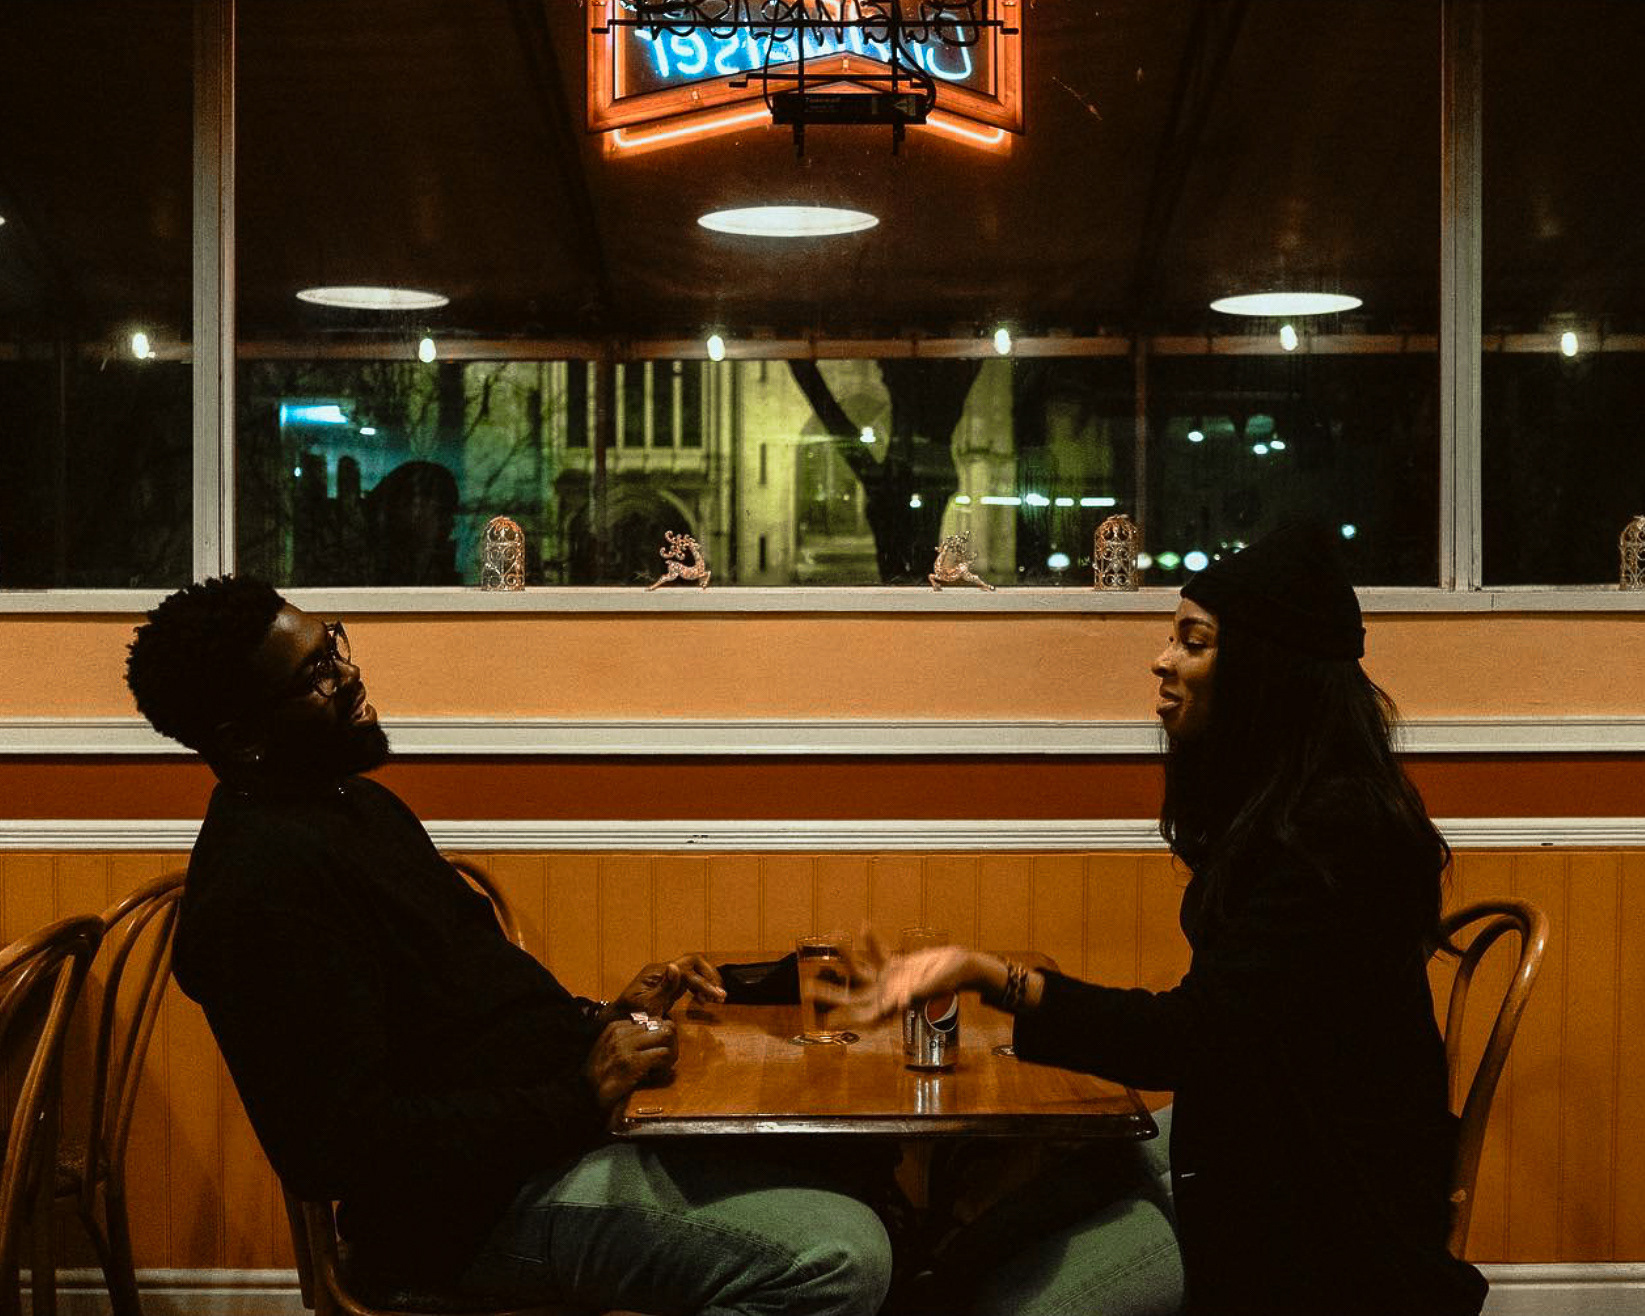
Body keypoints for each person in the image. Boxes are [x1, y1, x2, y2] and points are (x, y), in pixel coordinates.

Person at [124, 576, 892, 1316]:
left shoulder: (356, 806)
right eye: (316, 675)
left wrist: (600, 1020)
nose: (349, 675)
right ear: (242, 739)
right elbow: (340, 1148)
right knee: (835, 1256)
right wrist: (579, 1095)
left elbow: (471, 1015)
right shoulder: (258, 889)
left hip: (538, 1155)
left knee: (865, 1165)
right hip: (456, 1222)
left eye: (334, 646)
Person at [827, 522, 1488, 1316]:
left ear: (1265, 672)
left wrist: (992, 977)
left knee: (1011, 1300)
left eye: (1193, 642)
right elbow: (1224, 1037)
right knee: (974, 1237)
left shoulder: (1336, 835)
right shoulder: (1283, 805)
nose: (1161, 659)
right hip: (1248, 1135)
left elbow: (1189, 1039)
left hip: (1321, 1204)